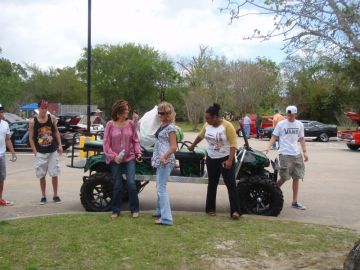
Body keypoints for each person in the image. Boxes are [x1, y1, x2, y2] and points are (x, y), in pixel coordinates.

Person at [188, 103, 240, 219]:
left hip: (226, 158)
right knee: (212, 184)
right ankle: (210, 208)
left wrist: (230, 160)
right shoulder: (207, 125)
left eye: (208, 118)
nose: (206, 120)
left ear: (215, 117)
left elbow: (233, 144)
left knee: (230, 184)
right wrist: (192, 146)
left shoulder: (227, 126)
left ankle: (235, 211)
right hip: (212, 158)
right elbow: (200, 136)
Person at [264, 105, 308, 210]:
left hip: (297, 154)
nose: (289, 116)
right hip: (284, 154)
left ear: (295, 114)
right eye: (288, 114)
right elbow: (274, 136)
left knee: (296, 177)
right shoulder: (281, 124)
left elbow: (301, 139)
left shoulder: (299, 125)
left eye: (291, 114)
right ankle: (270, 193)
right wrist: (268, 147)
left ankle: (295, 202)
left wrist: (305, 152)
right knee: (284, 177)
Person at [103, 100, 142, 219]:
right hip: (115, 159)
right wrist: (113, 156)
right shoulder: (110, 124)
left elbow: (135, 140)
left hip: (129, 157)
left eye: (127, 110)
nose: (128, 112)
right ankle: (116, 210)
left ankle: (135, 209)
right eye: (125, 110)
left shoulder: (131, 123)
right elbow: (106, 144)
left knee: (131, 182)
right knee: (117, 185)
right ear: (118, 113)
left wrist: (138, 153)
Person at [29, 99, 63, 204]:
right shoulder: (33, 121)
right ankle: (43, 196)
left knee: (54, 173)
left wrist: (60, 145)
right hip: (40, 151)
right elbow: (30, 137)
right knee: (41, 175)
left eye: (45, 108)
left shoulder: (52, 118)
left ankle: (55, 195)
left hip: (52, 150)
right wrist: (35, 151)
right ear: (38, 108)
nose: (44, 110)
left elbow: (56, 132)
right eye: (42, 108)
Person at [151, 102, 177, 225]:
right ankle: (159, 211)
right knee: (159, 186)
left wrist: (164, 156)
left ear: (168, 114)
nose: (159, 115)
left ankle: (166, 218)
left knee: (161, 188)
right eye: (159, 112)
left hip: (165, 161)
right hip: (160, 160)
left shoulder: (171, 128)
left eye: (162, 113)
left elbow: (173, 147)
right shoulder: (163, 126)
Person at [0, 104, 17, 206]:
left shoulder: (5, 124)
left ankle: (0, 199)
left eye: (2, 111)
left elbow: (7, 139)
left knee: (1, 178)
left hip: (1, 156)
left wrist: (13, 152)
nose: (1, 113)